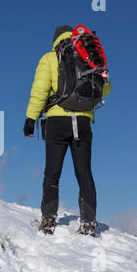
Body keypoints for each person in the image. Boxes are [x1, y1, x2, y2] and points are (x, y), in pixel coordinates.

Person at [23, 25, 112, 236]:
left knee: (52, 172)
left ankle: (48, 218)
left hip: (57, 123)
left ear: (55, 39)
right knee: (84, 172)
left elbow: (40, 90)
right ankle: (89, 222)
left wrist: (30, 118)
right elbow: (105, 88)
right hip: (82, 123)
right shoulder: (88, 55)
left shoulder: (50, 58)